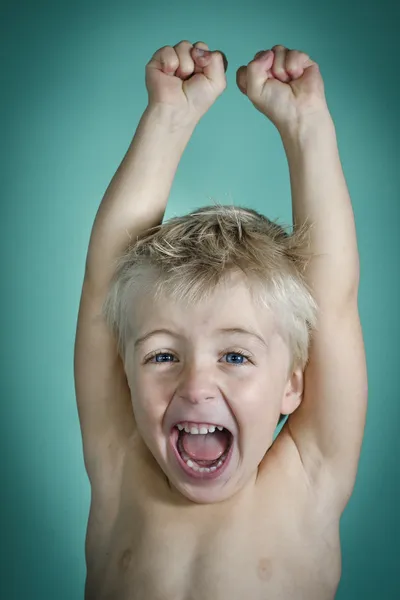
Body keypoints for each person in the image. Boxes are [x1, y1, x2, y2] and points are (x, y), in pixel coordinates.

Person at [74, 40, 368, 599]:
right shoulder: (119, 471)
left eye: (235, 355)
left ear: (291, 384)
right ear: (125, 371)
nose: (196, 385)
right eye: (162, 355)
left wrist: (307, 126)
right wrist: (168, 116)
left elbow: (333, 302)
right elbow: (102, 289)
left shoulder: (309, 481)